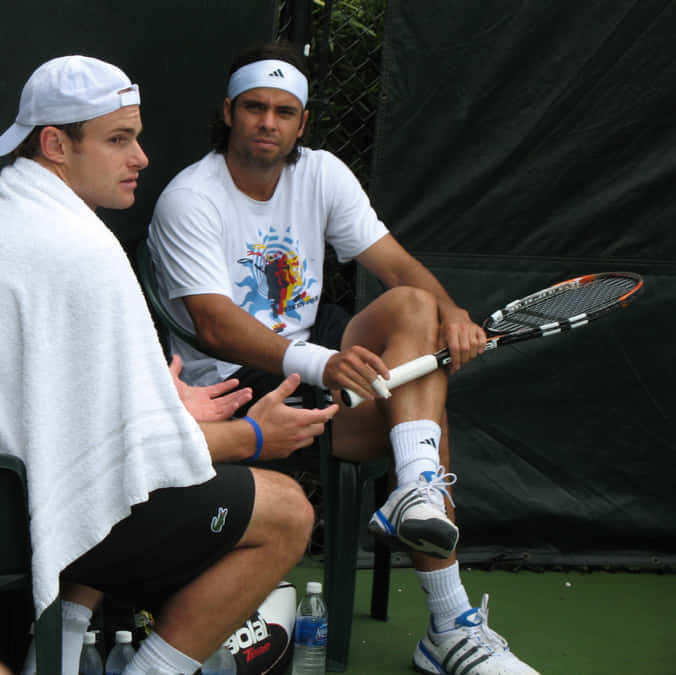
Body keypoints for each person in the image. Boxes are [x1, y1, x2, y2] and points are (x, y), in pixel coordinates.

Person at [0, 55, 338, 675]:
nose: (140, 157)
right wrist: (253, 436)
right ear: (57, 144)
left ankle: (54, 656)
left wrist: (162, 407)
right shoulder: (78, 245)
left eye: (135, 137)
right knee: (287, 511)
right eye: (119, 140)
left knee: (112, 484)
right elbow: (122, 454)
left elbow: (66, 415)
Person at [147, 41, 540, 674]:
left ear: (302, 122)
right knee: (418, 411)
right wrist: (319, 365)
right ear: (228, 112)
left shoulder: (322, 171)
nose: (267, 123)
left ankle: (414, 491)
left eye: (283, 111)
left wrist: (453, 314)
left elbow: (393, 263)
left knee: (414, 305)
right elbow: (215, 327)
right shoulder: (189, 197)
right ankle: (450, 623)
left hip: (313, 347)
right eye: (254, 108)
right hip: (237, 384)